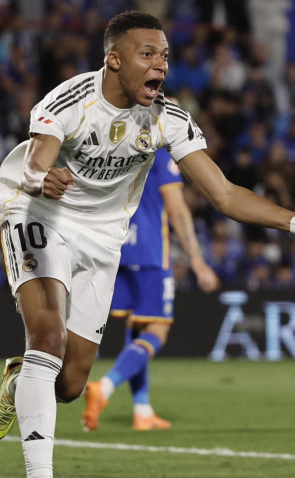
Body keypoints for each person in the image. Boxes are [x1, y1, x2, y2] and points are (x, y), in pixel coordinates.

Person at [0, 11, 295, 478]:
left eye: (164, 56)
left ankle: (18, 383)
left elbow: (224, 193)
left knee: (68, 383)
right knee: (46, 339)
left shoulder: (167, 119)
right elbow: (33, 163)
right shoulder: (69, 100)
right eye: (147, 54)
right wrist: (41, 178)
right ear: (114, 60)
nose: (160, 65)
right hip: (38, 212)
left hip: (104, 238)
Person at [80, 146, 220, 432]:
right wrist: (197, 260)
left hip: (113, 249)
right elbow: (178, 211)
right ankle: (104, 388)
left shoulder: (113, 146)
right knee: (157, 331)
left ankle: (142, 410)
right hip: (149, 253)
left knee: (137, 329)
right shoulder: (160, 154)